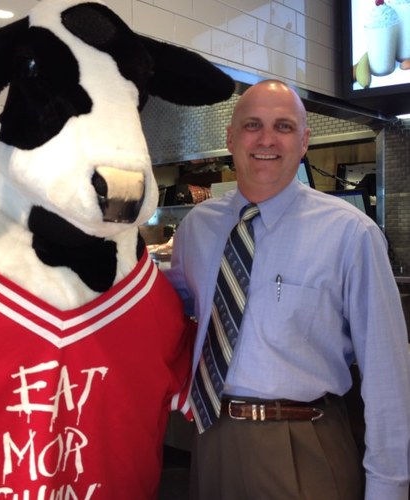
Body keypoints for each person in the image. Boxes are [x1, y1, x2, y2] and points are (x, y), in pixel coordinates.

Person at [166, 79, 410, 500]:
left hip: (305, 443)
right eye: (252, 125)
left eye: (283, 126)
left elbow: (387, 374)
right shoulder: (195, 229)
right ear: (230, 137)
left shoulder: (351, 234)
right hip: (212, 439)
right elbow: (169, 319)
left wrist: (389, 487)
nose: (266, 139)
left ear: (303, 141)